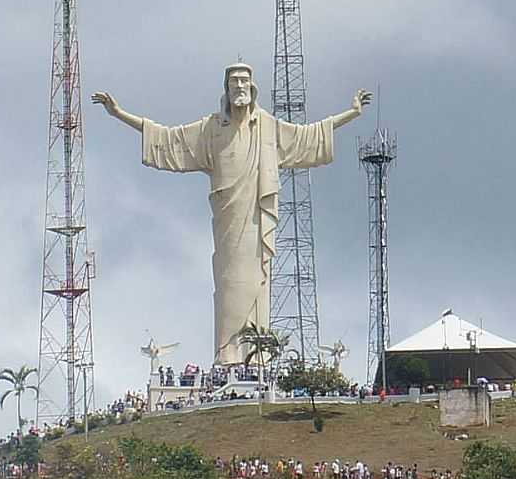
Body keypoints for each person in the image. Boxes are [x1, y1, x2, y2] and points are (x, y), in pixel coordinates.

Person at [92, 64, 371, 365]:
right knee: (228, 284)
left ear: (252, 88)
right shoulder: (211, 129)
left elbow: (308, 136)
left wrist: (352, 112)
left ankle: (258, 357)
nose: (239, 86)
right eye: (234, 81)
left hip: (256, 219)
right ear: (225, 89)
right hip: (227, 221)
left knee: (257, 278)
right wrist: (119, 114)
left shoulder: (267, 126)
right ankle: (227, 355)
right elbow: (166, 138)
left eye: (244, 81)